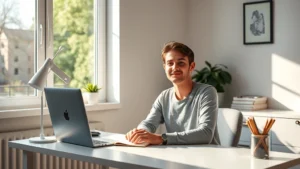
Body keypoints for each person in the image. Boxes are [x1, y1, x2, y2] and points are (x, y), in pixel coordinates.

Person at [125, 41, 220, 145]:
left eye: (181, 63)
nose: (175, 68)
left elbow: (205, 134)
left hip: (206, 157)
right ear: (164, 67)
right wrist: (140, 132)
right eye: (170, 63)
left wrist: (162, 138)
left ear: (191, 66)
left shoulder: (207, 92)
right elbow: (149, 123)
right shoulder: (164, 97)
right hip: (176, 155)